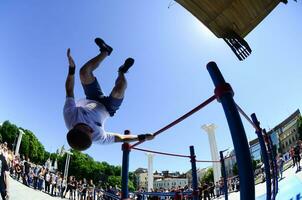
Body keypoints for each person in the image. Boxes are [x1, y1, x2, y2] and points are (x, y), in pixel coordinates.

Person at [64, 38, 154, 151]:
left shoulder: (69, 116)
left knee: (83, 72)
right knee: (119, 88)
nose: (92, 131)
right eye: (91, 134)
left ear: (75, 127)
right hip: (108, 108)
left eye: (88, 130)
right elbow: (119, 138)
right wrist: (142, 137)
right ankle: (121, 71)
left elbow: (69, 91)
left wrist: (72, 69)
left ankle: (105, 51)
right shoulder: (97, 137)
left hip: (92, 98)